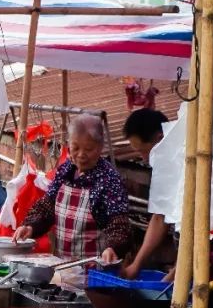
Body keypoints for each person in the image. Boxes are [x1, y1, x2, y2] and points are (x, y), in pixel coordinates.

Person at [14, 114, 131, 262]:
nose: (81, 155)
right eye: (75, 148)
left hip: (95, 272)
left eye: (89, 149)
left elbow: (119, 225)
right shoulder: (65, 171)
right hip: (63, 267)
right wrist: (30, 226)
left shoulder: (109, 180)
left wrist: (113, 247)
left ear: (101, 147)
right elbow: (46, 207)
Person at [121, 108, 172, 279]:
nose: (143, 159)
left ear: (160, 139)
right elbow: (159, 218)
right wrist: (136, 265)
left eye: (144, 151)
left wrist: (177, 273)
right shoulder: (163, 169)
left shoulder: (193, 163)